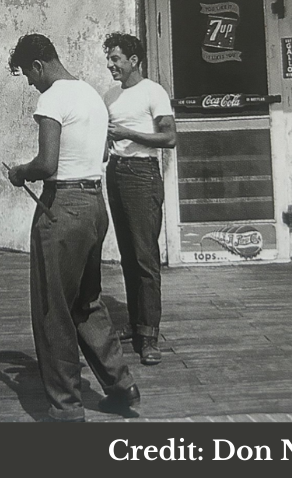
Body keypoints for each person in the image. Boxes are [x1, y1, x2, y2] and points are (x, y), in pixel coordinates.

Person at [5, 33, 139, 422]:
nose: (32, 85)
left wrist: (19, 172)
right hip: (95, 205)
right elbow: (99, 154)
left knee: (53, 309)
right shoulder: (92, 95)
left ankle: (65, 408)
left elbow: (47, 164)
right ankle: (120, 382)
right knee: (87, 301)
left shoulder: (53, 97)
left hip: (62, 206)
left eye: (29, 76)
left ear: (38, 66)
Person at [102, 32, 177, 365]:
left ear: (134, 60)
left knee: (145, 256)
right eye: (109, 58)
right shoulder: (110, 95)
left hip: (143, 175)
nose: (110, 65)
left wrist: (129, 134)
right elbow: (107, 139)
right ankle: (135, 324)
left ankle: (150, 337)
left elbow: (169, 137)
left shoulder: (153, 92)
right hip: (116, 173)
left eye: (116, 58)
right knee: (128, 255)